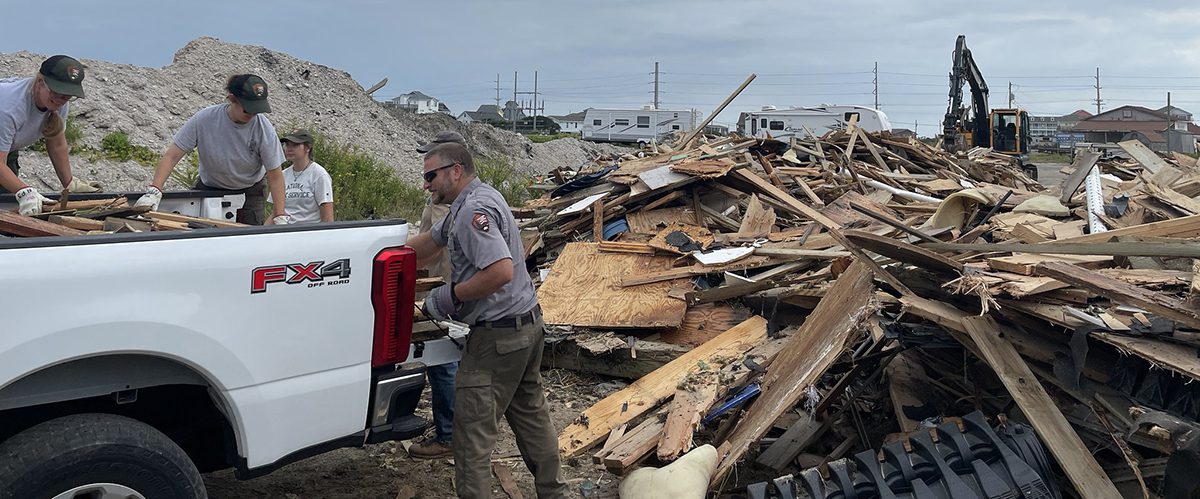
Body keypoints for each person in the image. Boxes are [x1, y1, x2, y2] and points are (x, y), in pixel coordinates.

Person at [406, 143, 567, 498]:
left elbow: (500, 271)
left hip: (498, 339)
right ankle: (555, 493)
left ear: (455, 170)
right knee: (532, 419)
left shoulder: (472, 210)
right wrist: (383, 252)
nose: (426, 185)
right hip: (526, 327)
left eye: (430, 176)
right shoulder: (477, 198)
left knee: (471, 438)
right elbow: (433, 242)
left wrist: (448, 297)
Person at [135, 74, 288, 225]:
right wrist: (155, 190)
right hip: (209, 187)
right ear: (232, 99)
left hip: (249, 191)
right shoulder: (205, 119)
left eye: (256, 110)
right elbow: (172, 156)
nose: (252, 114)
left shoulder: (263, 128)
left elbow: (275, 175)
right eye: (248, 109)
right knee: (200, 233)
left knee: (248, 239)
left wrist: (279, 214)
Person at [407, 130, 467, 460]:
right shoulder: (443, 201)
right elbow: (426, 247)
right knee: (445, 364)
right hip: (443, 288)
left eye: (432, 170)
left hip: (453, 291)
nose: (428, 178)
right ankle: (453, 429)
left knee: (445, 364)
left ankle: (449, 436)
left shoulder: (463, 202)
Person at [0, 55, 102, 216]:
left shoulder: (58, 102)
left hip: (7, 151)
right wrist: (24, 191)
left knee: (6, 204)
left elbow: (57, 143)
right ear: (41, 82)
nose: (62, 99)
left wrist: (69, 183)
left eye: (68, 95)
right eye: (58, 92)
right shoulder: (8, 107)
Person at [273, 129, 333, 223]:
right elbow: (275, 213)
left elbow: (327, 217)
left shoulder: (319, 175)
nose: (289, 148)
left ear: (308, 148)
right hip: (284, 231)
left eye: (295, 145)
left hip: (308, 232)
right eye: (287, 144)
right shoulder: (282, 175)